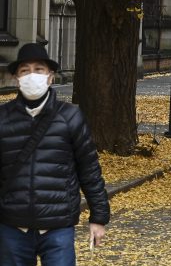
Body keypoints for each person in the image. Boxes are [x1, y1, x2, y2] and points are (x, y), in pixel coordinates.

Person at [0, 43, 109, 265]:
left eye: (39, 70)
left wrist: (98, 218)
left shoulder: (70, 117)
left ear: (50, 77)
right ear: (16, 78)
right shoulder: (3, 118)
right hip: (12, 226)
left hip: (57, 227)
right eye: (24, 70)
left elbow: (89, 169)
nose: (32, 76)